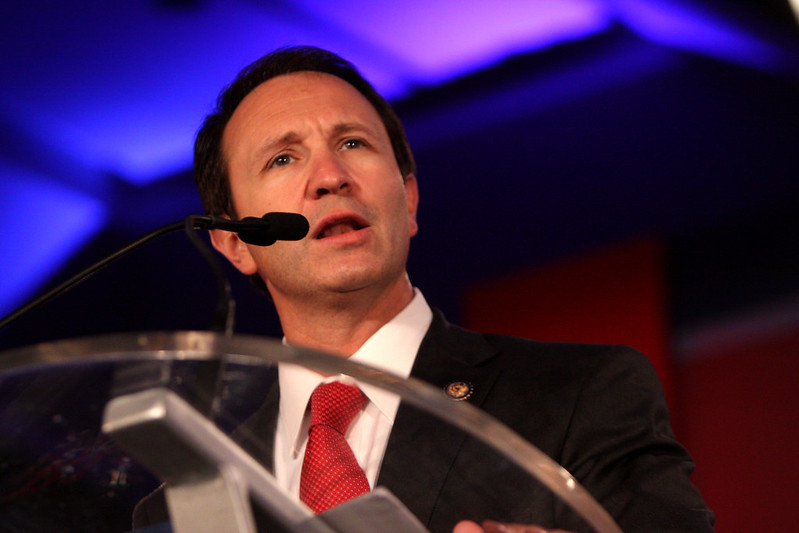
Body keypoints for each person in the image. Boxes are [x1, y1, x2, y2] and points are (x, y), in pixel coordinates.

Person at [134, 46, 714, 532]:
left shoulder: (581, 393)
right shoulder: (186, 504)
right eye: (283, 158)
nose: (331, 177)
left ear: (408, 199)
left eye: (354, 143)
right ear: (235, 243)